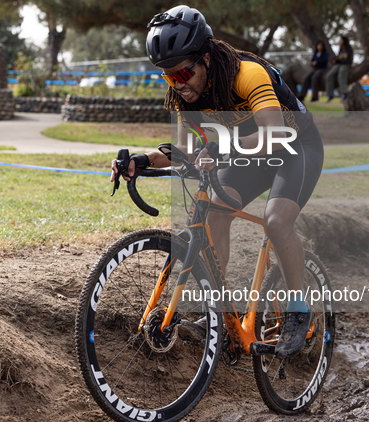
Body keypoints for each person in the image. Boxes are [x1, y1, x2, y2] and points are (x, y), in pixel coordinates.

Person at [110, 5, 324, 358]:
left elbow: (275, 136)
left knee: (276, 221)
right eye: (168, 77)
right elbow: (184, 150)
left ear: (206, 58)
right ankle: (219, 315)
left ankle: (298, 309)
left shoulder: (247, 75)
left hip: (295, 146)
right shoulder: (185, 92)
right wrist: (142, 160)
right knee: (213, 215)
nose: (178, 84)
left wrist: (221, 147)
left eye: (183, 74)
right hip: (245, 150)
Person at [325, 36, 353, 102]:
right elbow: (340, 58)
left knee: (341, 75)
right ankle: (330, 94)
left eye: (340, 39)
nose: (339, 41)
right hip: (339, 64)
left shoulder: (349, 48)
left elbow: (349, 59)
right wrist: (336, 60)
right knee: (329, 75)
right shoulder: (341, 49)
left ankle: (344, 93)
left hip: (346, 65)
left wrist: (340, 61)